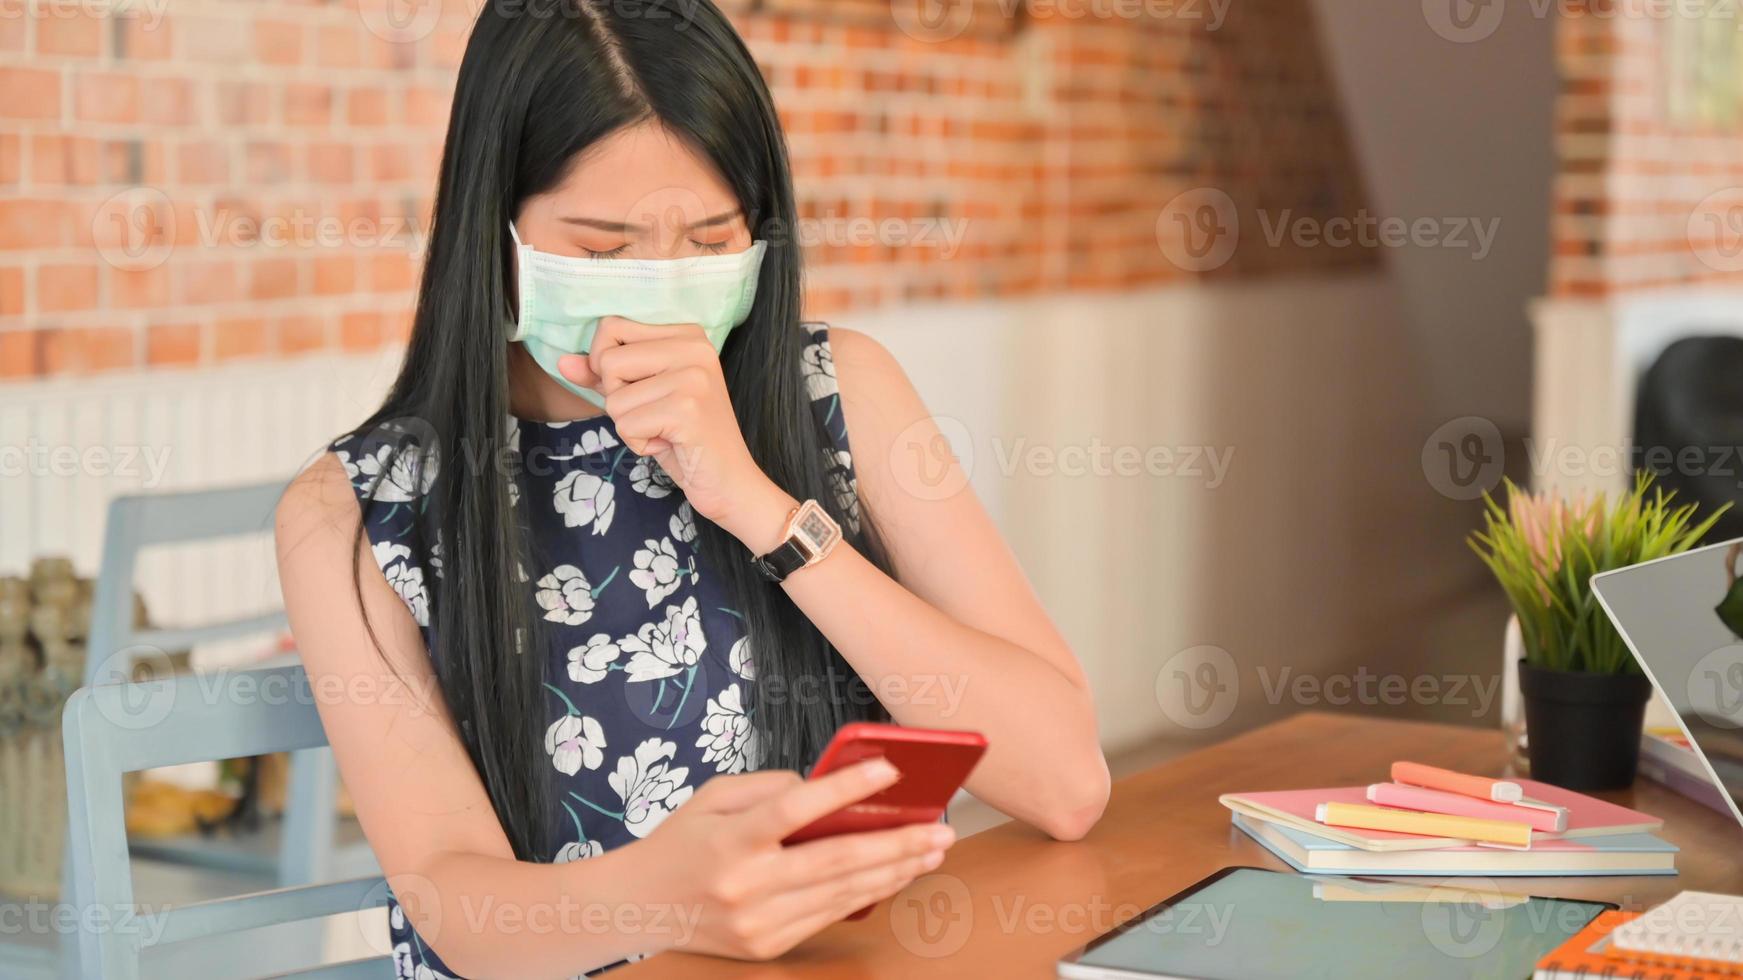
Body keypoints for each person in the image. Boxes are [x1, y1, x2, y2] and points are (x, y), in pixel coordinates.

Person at [275, 2, 1108, 976]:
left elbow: (1064, 781)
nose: (661, 287)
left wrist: (755, 500)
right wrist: (672, 893)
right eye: (602, 249)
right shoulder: (357, 515)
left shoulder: (841, 393)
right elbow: (456, 904)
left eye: (711, 240)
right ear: (493, 231)